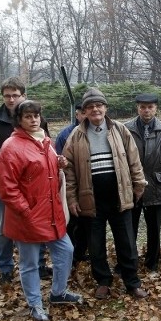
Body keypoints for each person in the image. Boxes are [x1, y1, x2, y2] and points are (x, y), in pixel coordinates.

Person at [0, 100, 83, 321]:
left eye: (36, 116)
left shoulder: (45, 141)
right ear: (19, 120)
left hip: (51, 213)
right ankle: (35, 304)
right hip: (27, 217)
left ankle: (57, 293)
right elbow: (6, 187)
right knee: (30, 263)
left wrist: (58, 163)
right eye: (28, 117)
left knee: (66, 250)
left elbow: (41, 172)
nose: (34, 120)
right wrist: (26, 211)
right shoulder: (11, 147)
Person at [62, 88, 149, 300]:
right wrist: (71, 198)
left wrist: (139, 185)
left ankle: (132, 282)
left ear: (105, 108)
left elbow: (134, 161)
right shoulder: (76, 136)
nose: (95, 109)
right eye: (90, 107)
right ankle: (103, 280)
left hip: (119, 197)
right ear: (84, 111)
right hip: (90, 200)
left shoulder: (120, 131)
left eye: (99, 105)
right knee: (96, 244)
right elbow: (69, 172)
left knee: (127, 242)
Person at [0, 77, 52, 285]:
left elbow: (46, 150)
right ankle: (5, 268)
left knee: (35, 225)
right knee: (4, 230)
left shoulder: (38, 121)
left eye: (15, 95)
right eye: (7, 95)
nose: (11, 99)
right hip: (5, 189)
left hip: (33, 187)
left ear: (23, 95)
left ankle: (38, 265)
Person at [125, 93, 161, 272]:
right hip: (132, 188)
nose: (146, 110)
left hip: (157, 187)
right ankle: (128, 263)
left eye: (150, 107)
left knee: (154, 230)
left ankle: (152, 263)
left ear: (156, 108)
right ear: (137, 108)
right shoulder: (126, 129)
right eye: (142, 107)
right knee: (128, 229)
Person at [55, 103, 89, 267]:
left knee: (86, 224)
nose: (85, 115)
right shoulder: (66, 135)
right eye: (82, 113)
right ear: (77, 115)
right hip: (73, 186)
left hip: (92, 188)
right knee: (72, 223)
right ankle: (71, 257)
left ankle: (82, 252)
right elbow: (63, 164)